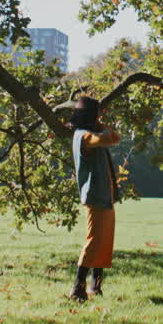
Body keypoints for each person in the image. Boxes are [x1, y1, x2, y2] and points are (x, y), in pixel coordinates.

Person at [68, 96, 121, 301]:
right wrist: (102, 126)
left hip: (104, 195)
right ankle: (77, 287)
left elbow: (114, 137)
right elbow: (108, 138)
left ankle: (95, 286)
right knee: (94, 240)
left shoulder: (88, 133)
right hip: (95, 196)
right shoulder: (84, 136)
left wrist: (101, 125)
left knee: (104, 241)